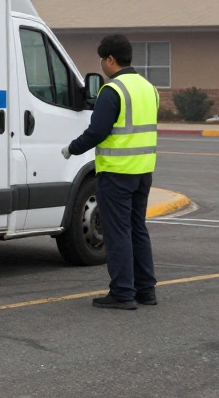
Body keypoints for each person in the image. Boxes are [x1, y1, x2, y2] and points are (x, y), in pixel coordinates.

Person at [63, 34, 158, 310]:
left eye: (102, 60)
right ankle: (146, 290)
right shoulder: (149, 88)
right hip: (143, 171)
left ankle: (122, 292)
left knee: (117, 233)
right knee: (137, 229)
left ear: (110, 60)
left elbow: (98, 131)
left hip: (117, 173)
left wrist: (72, 148)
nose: (102, 65)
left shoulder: (113, 90)